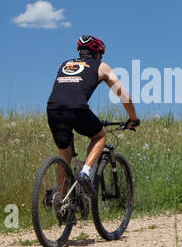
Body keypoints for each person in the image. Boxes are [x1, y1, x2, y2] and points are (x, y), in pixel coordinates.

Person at [46, 35, 138, 198]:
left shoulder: (65, 64)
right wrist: (133, 119)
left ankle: (61, 201)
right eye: (100, 55)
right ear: (97, 54)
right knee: (99, 135)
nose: (101, 58)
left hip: (53, 109)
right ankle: (85, 174)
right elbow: (125, 97)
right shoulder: (101, 66)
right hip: (76, 109)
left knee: (64, 157)